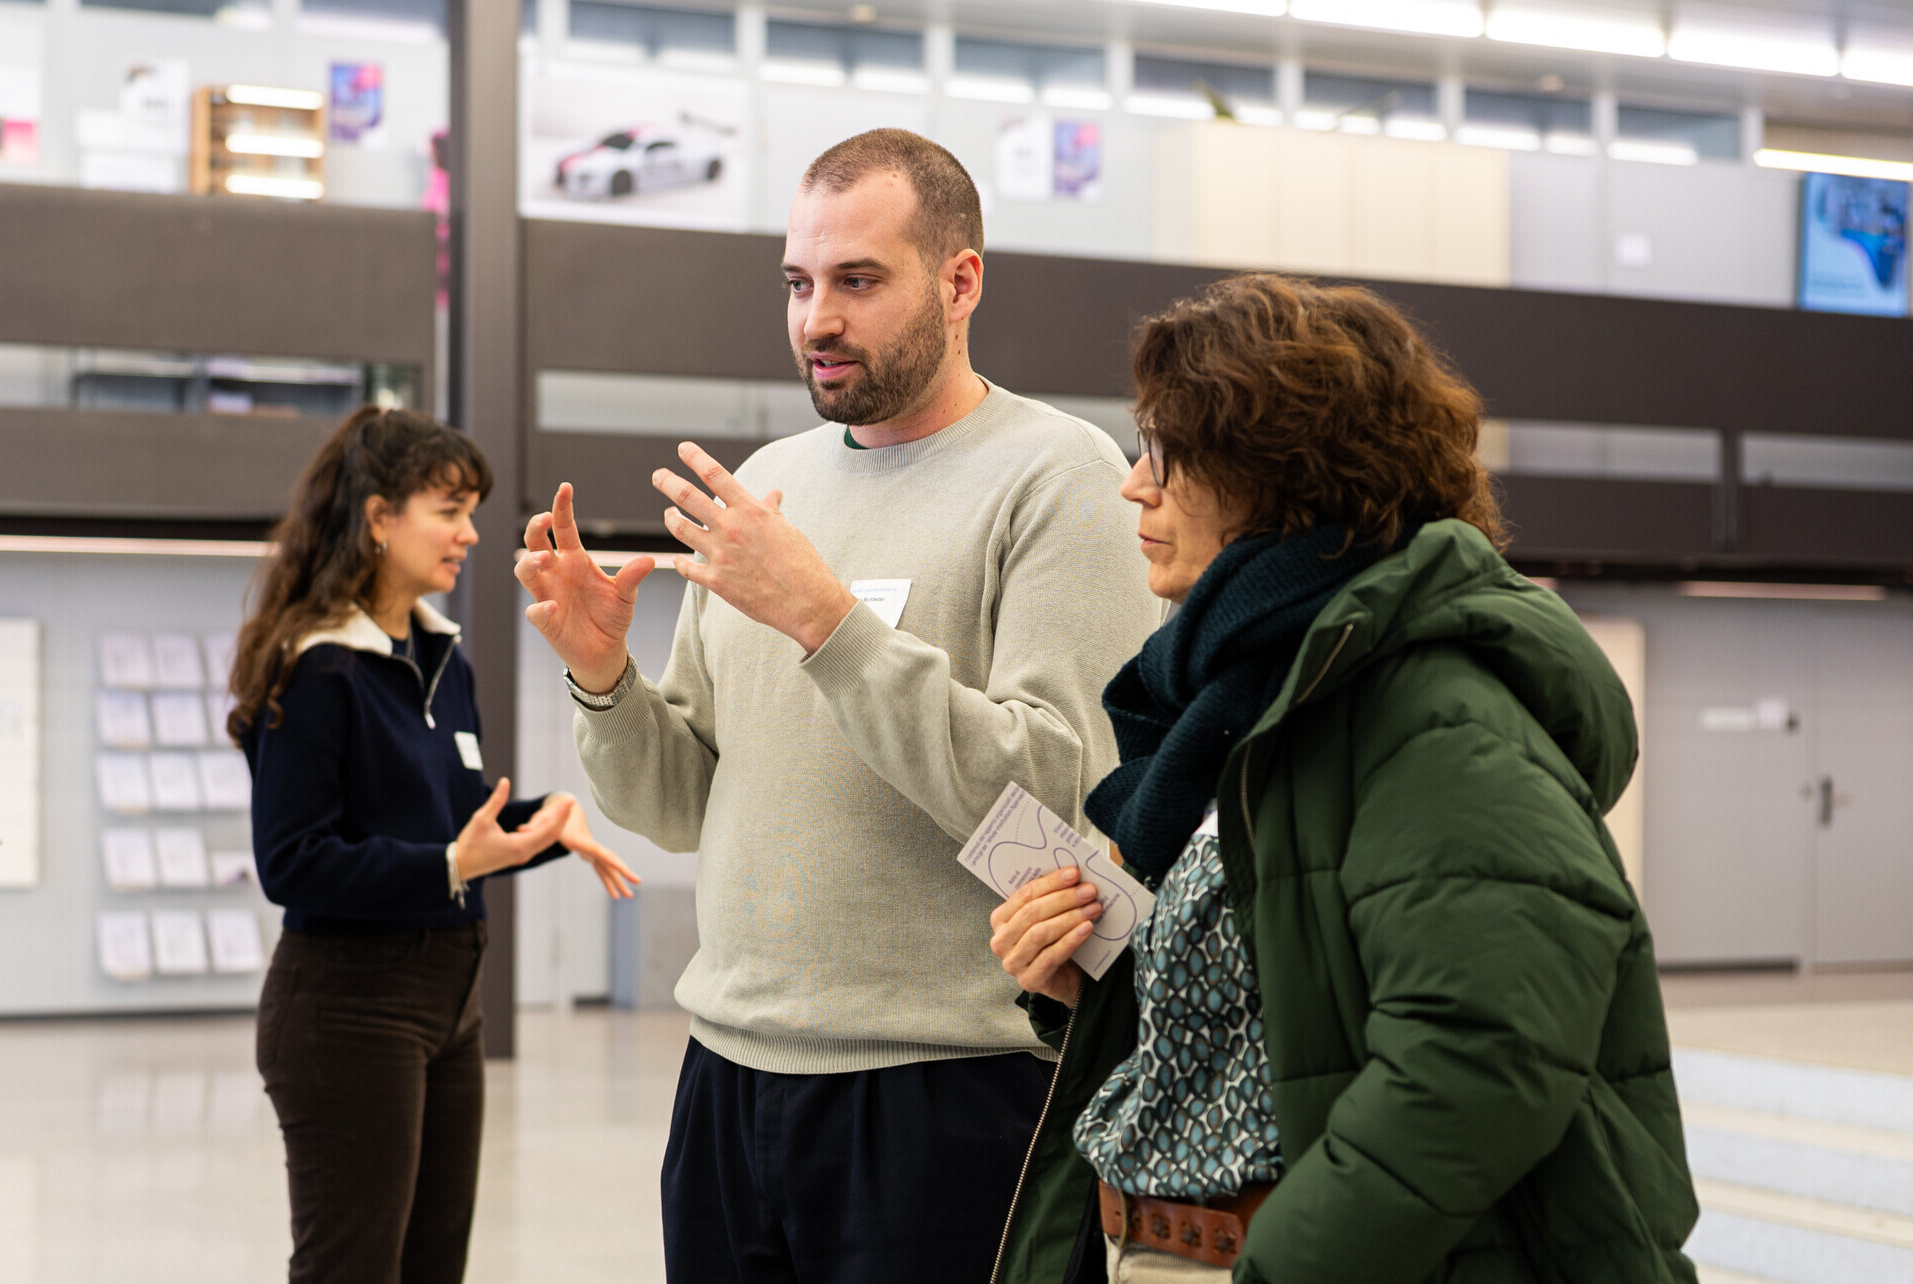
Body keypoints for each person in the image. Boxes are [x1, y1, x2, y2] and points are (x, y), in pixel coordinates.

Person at [513, 128, 1158, 1282]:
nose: (818, 319)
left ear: (960, 282)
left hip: (949, 1087)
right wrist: (604, 677)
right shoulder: (769, 488)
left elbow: (1060, 803)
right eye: (800, 284)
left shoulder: (1059, 479)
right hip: (728, 1075)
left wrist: (829, 622)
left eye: (859, 281)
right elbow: (682, 805)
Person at [986, 274, 1696, 1283]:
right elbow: (1278, 1009)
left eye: (1167, 454)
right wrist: (1085, 983)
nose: (1133, 486)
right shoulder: (1242, 708)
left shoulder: (1437, 716)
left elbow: (1480, 1060)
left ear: (1276, 476)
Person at [231, 406, 643, 1284]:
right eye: (447, 510)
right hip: (347, 1006)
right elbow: (292, 862)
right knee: (352, 1269)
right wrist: (452, 866)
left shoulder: (444, 660)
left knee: (432, 1268)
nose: (469, 533)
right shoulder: (317, 667)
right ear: (378, 518)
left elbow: (457, 816)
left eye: (472, 511)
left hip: (450, 997)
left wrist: (544, 823)